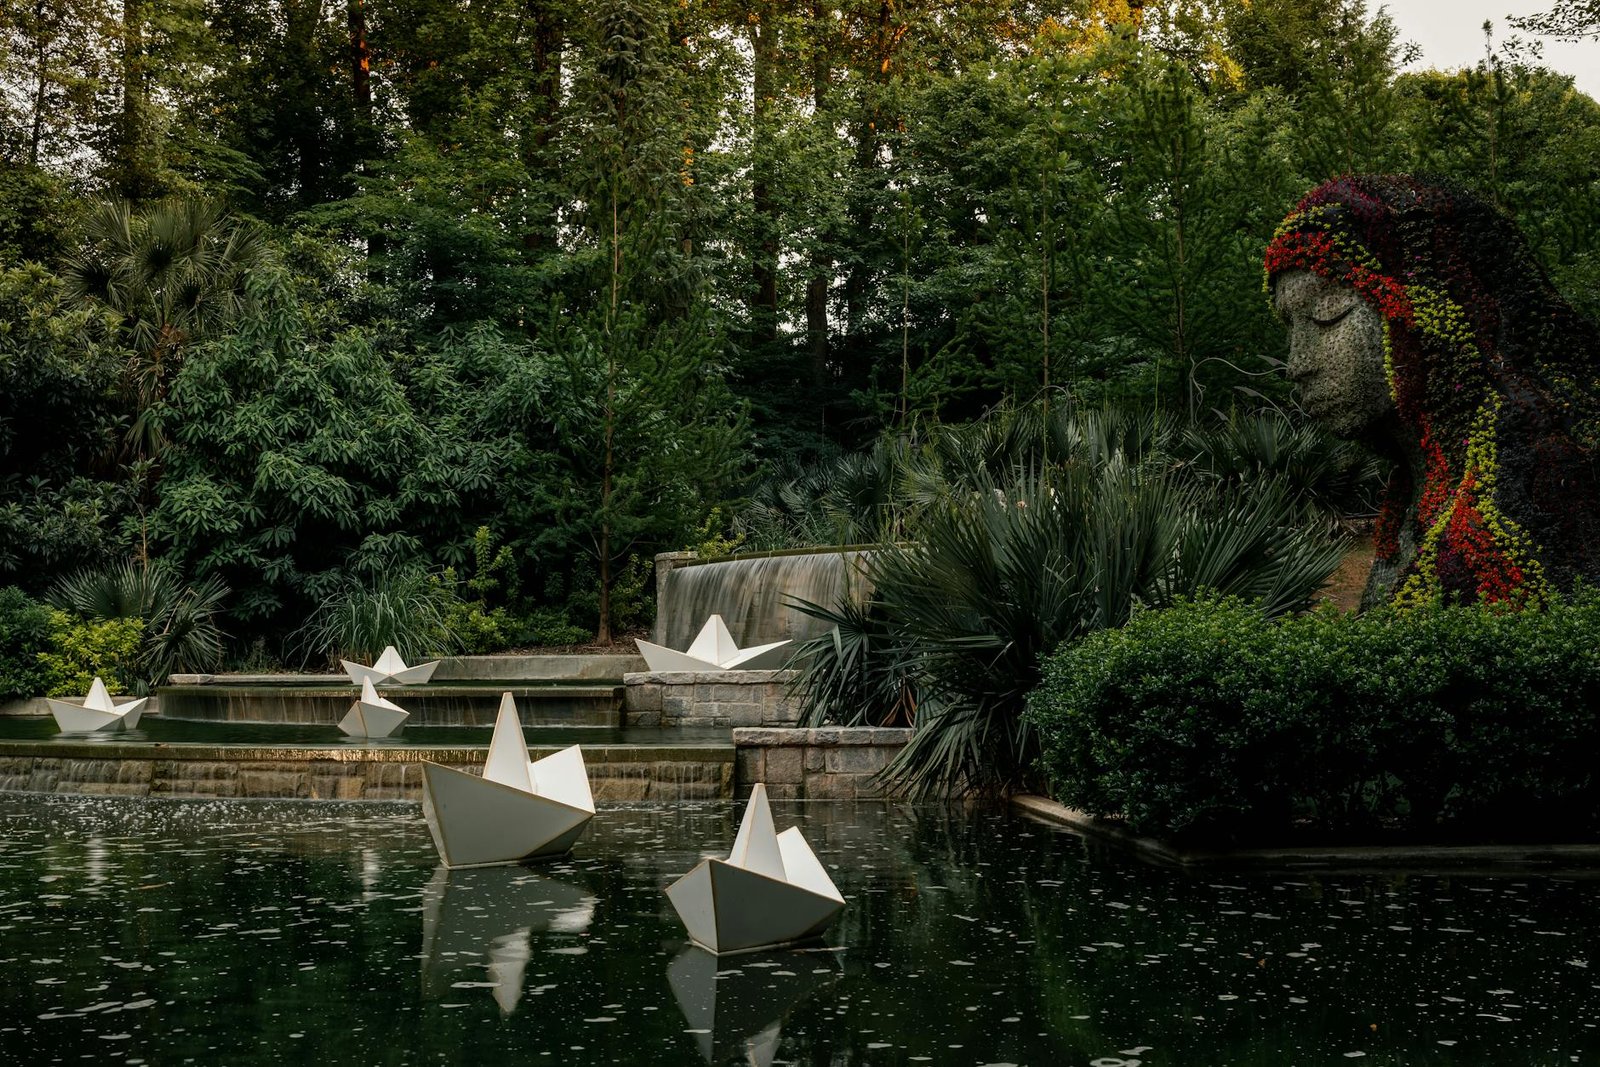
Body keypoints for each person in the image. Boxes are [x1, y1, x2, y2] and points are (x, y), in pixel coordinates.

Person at [1265, 175, 1600, 607]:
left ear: (1437, 312)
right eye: (1291, 325)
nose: (1298, 364)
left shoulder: (1546, 479)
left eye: (1328, 314)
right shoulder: (1417, 490)